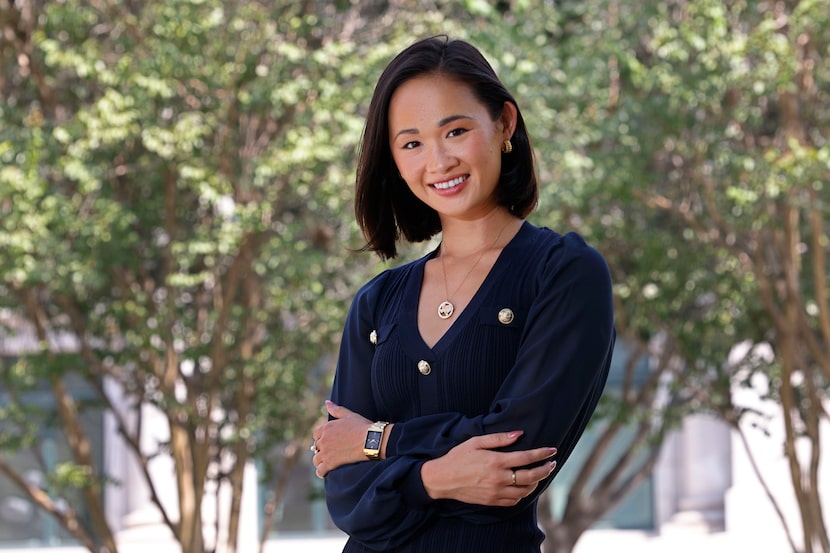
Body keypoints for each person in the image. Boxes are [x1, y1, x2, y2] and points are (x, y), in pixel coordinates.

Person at [311, 35, 615, 553]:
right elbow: (346, 492)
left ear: (504, 125)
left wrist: (379, 441)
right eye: (411, 143)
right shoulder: (377, 302)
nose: (438, 160)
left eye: (455, 130)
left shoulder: (563, 273)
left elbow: (516, 455)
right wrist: (439, 477)